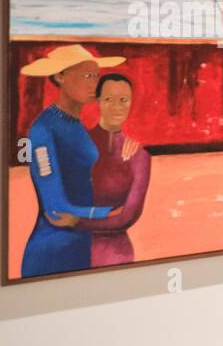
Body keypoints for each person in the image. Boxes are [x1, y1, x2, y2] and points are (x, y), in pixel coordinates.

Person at [18, 44, 124, 278]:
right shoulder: (43, 130)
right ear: (60, 76)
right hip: (52, 250)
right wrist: (110, 213)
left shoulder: (76, 125)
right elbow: (55, 209)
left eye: (96, 76)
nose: (94, 84)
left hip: (80, 241)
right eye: (86, 76)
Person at [61, 74, 150, 267]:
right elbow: (63, 202)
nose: (117, 107)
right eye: (109, 99)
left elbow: (127, 217)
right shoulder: (78, 144)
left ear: (131, 103)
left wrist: (76, 221)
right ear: (98, 101)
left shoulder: (138, 156)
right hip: (72, 247)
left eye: (124, 100)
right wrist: (108, 214)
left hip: (116, 253)